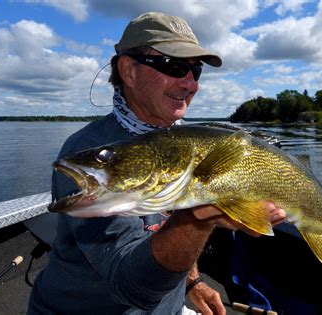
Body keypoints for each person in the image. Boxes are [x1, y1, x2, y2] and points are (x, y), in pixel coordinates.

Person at [28, 12, 286, 315]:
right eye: (175, 67)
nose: (191, 84)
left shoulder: (180, 140)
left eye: (195, 71)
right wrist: (198, 218)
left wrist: (191, 282)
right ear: (129, 71)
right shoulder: (91, 155)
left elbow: (163, 225)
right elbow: (132, 286)